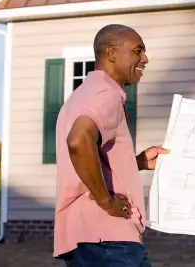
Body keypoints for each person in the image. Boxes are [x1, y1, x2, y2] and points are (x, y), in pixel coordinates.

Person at [53, 24, 168, 267]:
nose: (145, 59)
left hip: (87, 237)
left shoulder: (84, 93)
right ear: (111, 53)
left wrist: (135, 162)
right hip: (108, 238)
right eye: (138, 51)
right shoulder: (105, 94)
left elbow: (88, 149)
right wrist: (106, 201)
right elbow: (78, 141)